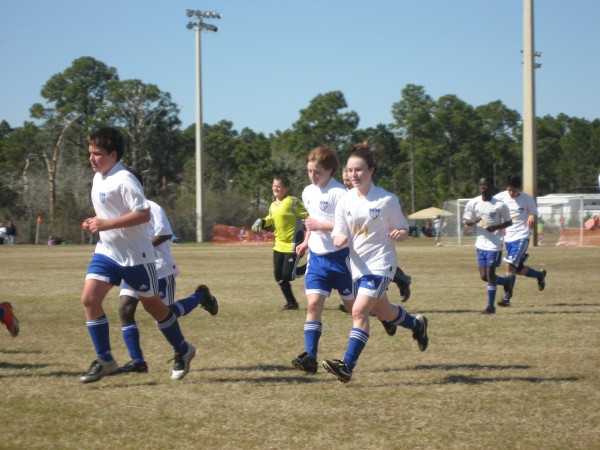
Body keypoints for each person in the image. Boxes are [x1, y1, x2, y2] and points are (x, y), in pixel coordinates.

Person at [80, 127, 195, 383]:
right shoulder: (100, 176)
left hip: (135, 257)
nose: (92, 158)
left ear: (112, 154)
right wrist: (94, 222)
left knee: (156, 308)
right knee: (89, 299)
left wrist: (105, 224)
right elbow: (108, 212)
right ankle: (105, 359)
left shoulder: (124, 179)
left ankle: (184, 349)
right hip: (108, 252)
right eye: (90, 153)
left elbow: (143, 214)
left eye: (97, 154)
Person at [322, 145, 429, 383]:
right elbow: (339, 233)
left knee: (359, 311)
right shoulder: (345, 201)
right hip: (358, 267)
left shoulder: (386, 200)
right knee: (385, 313)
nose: (353, 175)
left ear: (371, 170)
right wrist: (339, 239)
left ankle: (347, 366)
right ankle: (417, 325)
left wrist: (400, 234)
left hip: (382, 264)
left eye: (358, 170)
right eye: (349, 170)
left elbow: (403, 227)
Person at [117, 168, 218, 374]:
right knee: (125, 309)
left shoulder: (151, 208)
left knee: (165, 316)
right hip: (133, 268)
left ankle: (199, 298)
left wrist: (141, 247)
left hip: (159, 269)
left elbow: (164, 233)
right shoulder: (120, 212)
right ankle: (137, 361)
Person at [291, 145, 355, 373]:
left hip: (341, 259)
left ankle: (400, 319)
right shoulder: (308, 192)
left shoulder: (340, 194)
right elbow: (311, 220)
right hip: (317, 259)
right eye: (309, 171)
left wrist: (321, 226)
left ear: (329, 170)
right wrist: (306, 240)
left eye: (317, 171)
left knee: (355, 310)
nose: (312, 176)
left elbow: (348, 227)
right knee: (314, 304)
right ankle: (310, 358)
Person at [341, 166, 412, 306]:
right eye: (345, 179)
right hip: (354, 249)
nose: (347, 182)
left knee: (374, 273)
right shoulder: (345, 198)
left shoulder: (377, 198)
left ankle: (400, 280)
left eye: (348, 179)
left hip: (376, 251)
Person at [251, 176, 309, 310]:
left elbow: (308, 215)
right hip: (278, 245)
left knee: (289, 275)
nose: (275, 188)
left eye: (279, 186)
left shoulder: (293, 202)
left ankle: (310, 267)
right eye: (274, 186)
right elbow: (270, 219)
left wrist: (307, 232)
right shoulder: (272, 205)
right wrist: (261, 221)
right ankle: (292, 303)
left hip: (293, 245)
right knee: (279, 277)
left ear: (286, 188)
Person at [493, 176, 547, 307]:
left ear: (519, 189)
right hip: (509, 239)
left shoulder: (527, 199)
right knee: (518, 269)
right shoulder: (501, 197)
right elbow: (492, 207)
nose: (510, 193)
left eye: (513, 190)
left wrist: (532, 217)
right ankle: (540, 275)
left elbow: (534, 213)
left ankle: (506, 297)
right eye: (509, 190)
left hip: (522, 237)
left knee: (510, 264)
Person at [463, 176, 513, 315]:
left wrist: (496, 227)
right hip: (481, 244)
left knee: (490, 275)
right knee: (484, 277)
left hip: (494, 245)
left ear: (491, 186)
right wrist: (474, 220)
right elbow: (466, 222)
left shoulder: (500, 205)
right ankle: (506, 282)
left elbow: (509, 222)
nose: (483, 187)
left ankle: (491, 307)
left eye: (486, 184)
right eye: (481, 185)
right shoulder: (473, 203)